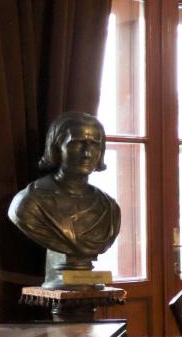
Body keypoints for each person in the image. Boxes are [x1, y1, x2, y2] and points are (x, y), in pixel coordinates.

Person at [8, 111, 120, 287]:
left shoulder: (110, 208)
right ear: (57, 147)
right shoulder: (29, 203)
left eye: (94, 145)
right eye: (78, 143)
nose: (87, 154)